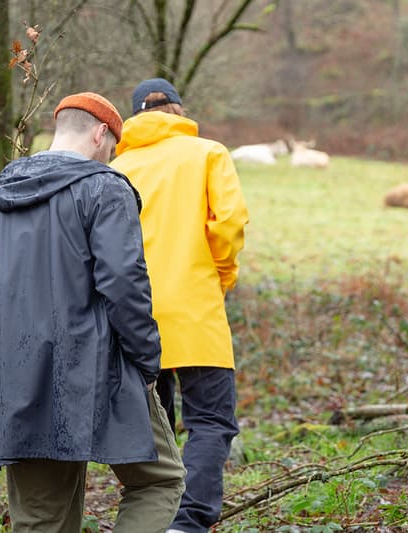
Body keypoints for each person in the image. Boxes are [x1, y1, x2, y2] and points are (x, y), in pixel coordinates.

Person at [0, 91, 185, 533]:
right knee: (159, 481)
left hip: (16, 379)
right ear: (100, 133)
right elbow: (124, 283)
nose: (110, 158)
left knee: (41, 521)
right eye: (112, 149)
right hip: (101, 370)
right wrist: (147, 359)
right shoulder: (104, 189)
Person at [111, 78, 249, 533]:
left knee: (157, 423)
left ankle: (155, 517)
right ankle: (188, 523)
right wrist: (219, 280)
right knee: (210, 420)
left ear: (134, 117)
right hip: (195, 311)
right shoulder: (208, 153)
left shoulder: (117, 167)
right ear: (178, 109)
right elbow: (227, 226)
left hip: (133, 317)